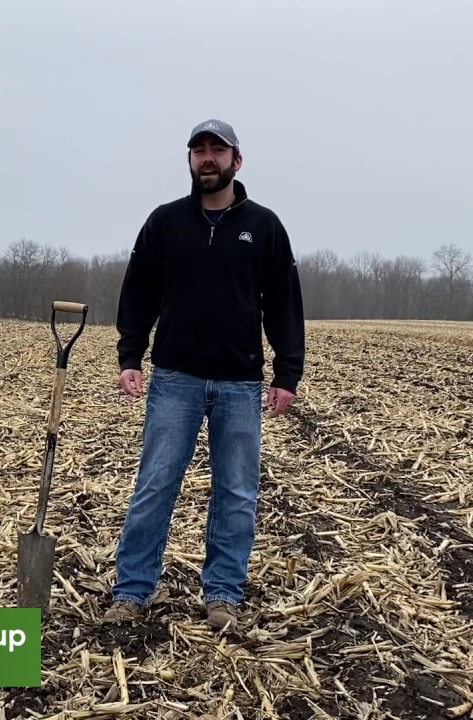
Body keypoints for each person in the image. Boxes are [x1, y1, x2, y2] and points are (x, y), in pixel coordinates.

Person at [102, 118, 305, 631]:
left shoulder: (264, 226)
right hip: (175, 379)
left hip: (240, 382)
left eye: (218, 149)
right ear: (190, 161)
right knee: (155, 485)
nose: (208, 158)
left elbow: (283, 303)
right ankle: (131, 591)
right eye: (199, 150)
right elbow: (138, 294)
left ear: (237, 160)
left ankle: (222, 595)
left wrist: (287, 373)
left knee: (236, 493)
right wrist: (131, 356)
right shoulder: (165, 223)